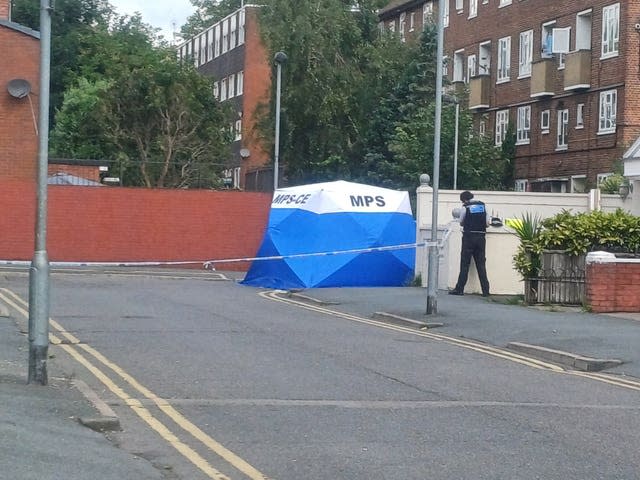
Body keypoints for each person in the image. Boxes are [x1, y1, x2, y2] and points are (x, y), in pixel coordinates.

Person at [449, 190, 491, 297]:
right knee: (481, 264)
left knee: (465, 264)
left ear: (464, 199)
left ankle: (460, 289)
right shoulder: (483, 206)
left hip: (468, 237)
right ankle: (485, 291)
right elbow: (487, 223)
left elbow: (461, 221)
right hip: (481, 237)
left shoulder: (465, 207)